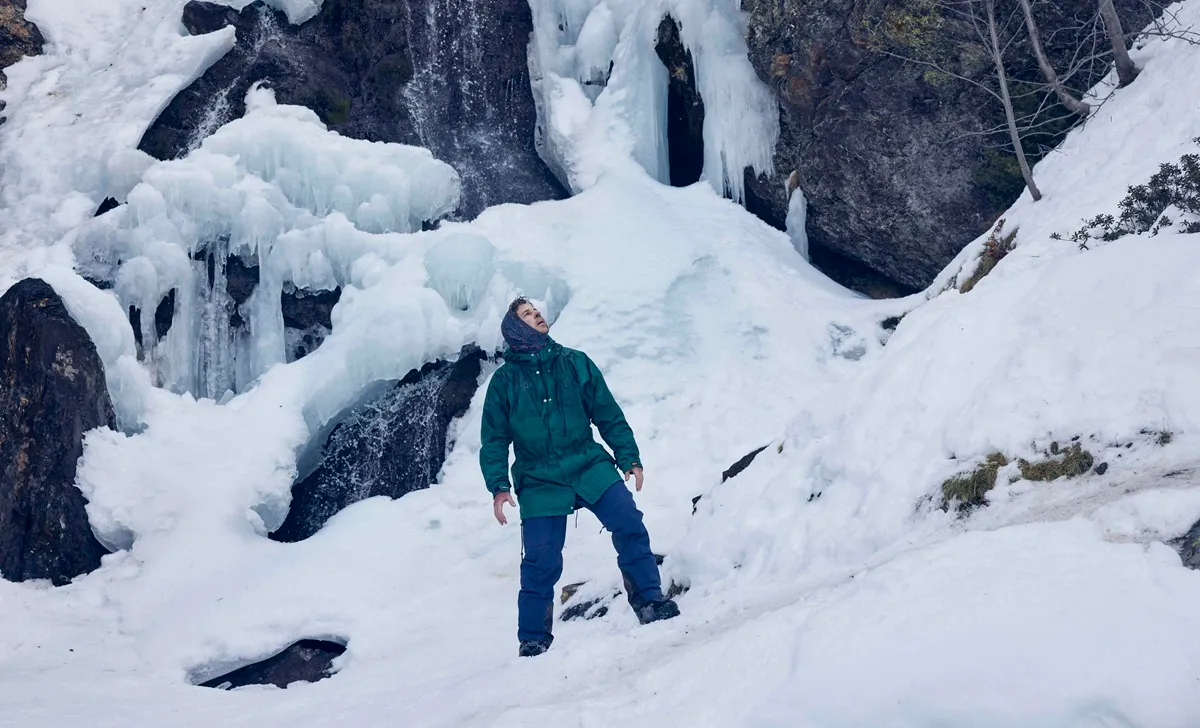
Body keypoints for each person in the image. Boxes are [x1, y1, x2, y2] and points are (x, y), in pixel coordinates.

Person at [479, 297, 681, 657]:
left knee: (629, 522)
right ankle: (534, 638)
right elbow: (493, 440)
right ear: (514, 330)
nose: (538, 316)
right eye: (528, 314)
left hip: (588, 463)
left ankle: (650, 602)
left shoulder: (575, 363)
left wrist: (628, 457)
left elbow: (607, 414)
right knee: (541, 559)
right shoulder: (504, 382)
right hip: (539, 478)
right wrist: (498, 486)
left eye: (537, 312)